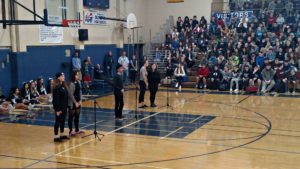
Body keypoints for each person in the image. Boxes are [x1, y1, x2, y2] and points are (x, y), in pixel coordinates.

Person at [52, 72, 69, 142]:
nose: (63, 77)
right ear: (58, 77)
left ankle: (61, 134)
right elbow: (56, 99)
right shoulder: (57, 87)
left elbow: (65, 97)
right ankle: (56, 136)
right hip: (59, 108)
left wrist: (66, 106)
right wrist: (57, 109)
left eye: (64, 75)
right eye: (62, 76)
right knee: (58, 121)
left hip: (64, 107)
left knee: (63, 121)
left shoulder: (63, 86)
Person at [68, 70, 83, 136]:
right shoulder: (71, 84)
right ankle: (71, 131)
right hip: (72, 103)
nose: (78, 76)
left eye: (78, 75)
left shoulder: (78, 82)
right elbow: (71, 95)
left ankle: (77, 129)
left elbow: (80, 92)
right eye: (77, 75)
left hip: (78, 102)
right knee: (71, 117)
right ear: (74, 76)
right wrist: (75, 102)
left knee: (77, 116)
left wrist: (80, 100)